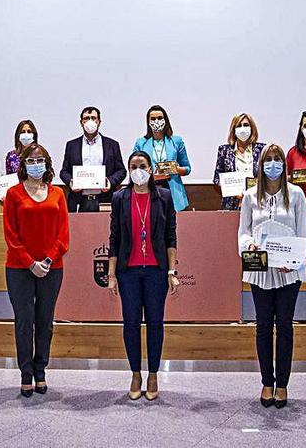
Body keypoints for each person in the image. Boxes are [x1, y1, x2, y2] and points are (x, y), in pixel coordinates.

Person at [237, 144, 306, 409]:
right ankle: (266, 382)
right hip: (261, 271)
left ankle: (283, 385)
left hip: (288, 272)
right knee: (263, 327)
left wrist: (295, 260)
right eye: (267, 159)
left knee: (285, 327)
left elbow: (304, 233)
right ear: (260, 165)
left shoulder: (296, 194)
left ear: (284, 163)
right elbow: (243, 233)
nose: (272, 164)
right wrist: (250, 246)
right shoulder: (249, 197)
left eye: (277, 159)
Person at [107, 151, 181, 401]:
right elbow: (114, 237)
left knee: (155, 324)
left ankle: (153, 374)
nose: (138, 170)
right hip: (128, 272)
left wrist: (171, 271)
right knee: (130, 323)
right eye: (133, 166)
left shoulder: (164, 197)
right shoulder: (120, 197)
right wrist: (112, 274)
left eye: (142, 165)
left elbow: (171, 236)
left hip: (156, 271)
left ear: (150, 169)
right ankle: (135, 373)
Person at [2, 144, 70, 397]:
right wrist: (30, 262)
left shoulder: (57, 194)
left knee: (45, 322)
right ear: (23, 164)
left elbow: (63, 235)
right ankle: (26, 373)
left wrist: (48, 261)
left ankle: (41, 370)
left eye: (40, 160)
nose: (36, 164)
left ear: (47, 163)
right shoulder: (13, 194)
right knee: (24, 321)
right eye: (31, 160)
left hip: (52, 268)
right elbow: (11, 234)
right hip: (20, 268)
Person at [59, 106, 127, 212]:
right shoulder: (71, 145)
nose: (90, 121)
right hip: (79, 201)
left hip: (105, 200)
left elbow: (121, 171)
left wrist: (110, 182)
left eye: (93, 118)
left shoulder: (112, 145)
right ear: (81, 122)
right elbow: (64, 172)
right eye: (86, 118)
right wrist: (71, 182)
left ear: (99, 122)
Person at [133, 105, 192, 211]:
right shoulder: (141, 143)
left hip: (173, 192)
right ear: (148, 121)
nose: (156, 121)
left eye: (160, 118)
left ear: (165, 120)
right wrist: (150, 175)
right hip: (149, 189)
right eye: (153, 119)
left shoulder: (177, 141)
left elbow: (187, 168)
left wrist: (175, 169)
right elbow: (134, 169)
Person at [212, 113, 266, 210]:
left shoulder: (262, 149)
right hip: (232, 204)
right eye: (239, 125)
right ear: (234, 129)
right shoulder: (224, 150)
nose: (242, 128)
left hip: (257, 202)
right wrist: (232, 190)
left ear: (252, 128)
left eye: (246, 125)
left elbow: (268, 176)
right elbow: (217, 178)